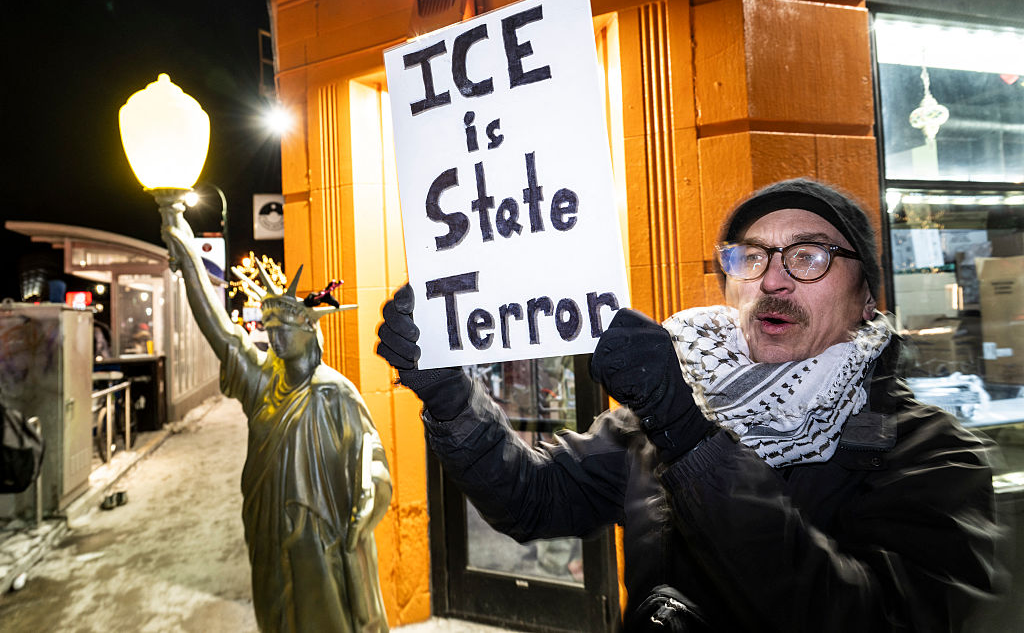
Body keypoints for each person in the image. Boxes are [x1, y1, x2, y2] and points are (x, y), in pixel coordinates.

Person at [376, 178, 1002, 632]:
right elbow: (533, 501)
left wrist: (691, 438)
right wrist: (452, 396)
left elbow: (871, 619)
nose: (773, 280)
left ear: (868, 294)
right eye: (750, 257)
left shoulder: (930, 453)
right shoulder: (677, 404)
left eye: (809, 256)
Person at [157, 192, 391, 633]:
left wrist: (365, 501)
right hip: (266, 530)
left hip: (319, 540)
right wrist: (186, 251)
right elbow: (220, 330)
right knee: (276, 619)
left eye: (283, 328)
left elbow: (371, 457)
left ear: (308, 328)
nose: (275, 339)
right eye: (268, 330)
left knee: (326, 619)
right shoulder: (262, 382)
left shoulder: (333, 393)